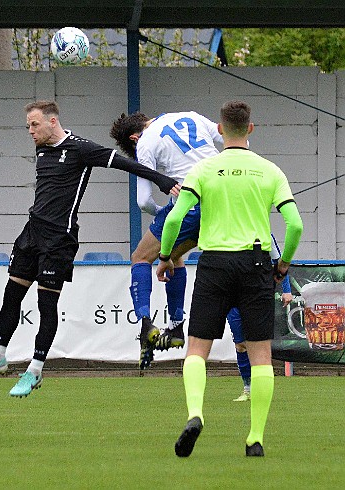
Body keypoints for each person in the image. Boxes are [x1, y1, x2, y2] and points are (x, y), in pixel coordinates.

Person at [0, 100, 180, 397]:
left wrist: (163, 181)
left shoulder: (81, 149)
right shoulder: (41, 149)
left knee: (45, 305)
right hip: (31, 234)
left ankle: (34, 371)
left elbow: (123, 163)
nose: (30, 131)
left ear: (53, 122)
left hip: (59, 240)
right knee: (11, 296)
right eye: (28, 125)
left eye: (34, 124)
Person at [156, 100, 303, 457]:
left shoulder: (205, 170)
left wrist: (164, 257)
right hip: (254, 264)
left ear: (220, 130)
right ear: (250, 129)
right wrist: (282, 264)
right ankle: (255, 439)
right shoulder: (270, 171)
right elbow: (296, 224)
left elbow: (175, 219)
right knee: (261, 356)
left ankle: (195, 414)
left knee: (197, 350)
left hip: (214, 263)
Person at [110, 111, 223, 370]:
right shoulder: (191, 116)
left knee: (140, 257)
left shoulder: (146, 142)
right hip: (223, 201)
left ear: (134, 137)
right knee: (173, 255)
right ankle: (175, 326)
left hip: (191, 204)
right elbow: (228, 136)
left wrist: (164, 211)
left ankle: (145, 323)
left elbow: (143, 201)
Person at [227, 233, 292, 402]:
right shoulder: (227, 229)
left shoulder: (264, 233)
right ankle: (247, 388)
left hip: (256, 294)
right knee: (240, 345)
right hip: (232, 295)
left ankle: (261, 388)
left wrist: (286, 290)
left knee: (260, 344)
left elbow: (280, 262)